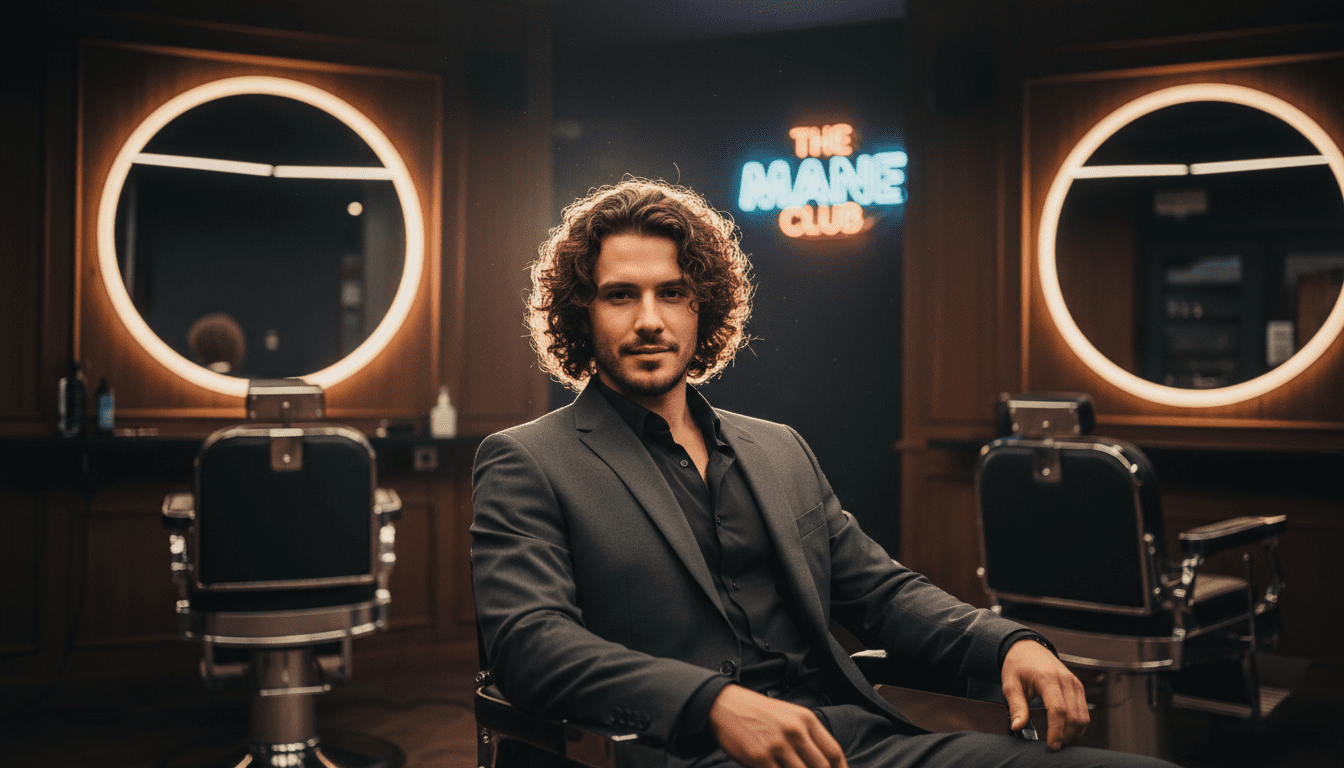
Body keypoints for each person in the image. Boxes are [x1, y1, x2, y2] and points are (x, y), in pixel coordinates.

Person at [470, 178, 1175, 768]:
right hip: (673, 752)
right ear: (582, 313)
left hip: (846, 742)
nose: (650, 320)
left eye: (673, 293)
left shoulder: (777, 448)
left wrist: (1008, 642)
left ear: (702, 305)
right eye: (621, 295)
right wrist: (710, 704)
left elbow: (882, 593)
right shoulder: (528, 460)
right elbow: (529, 646)